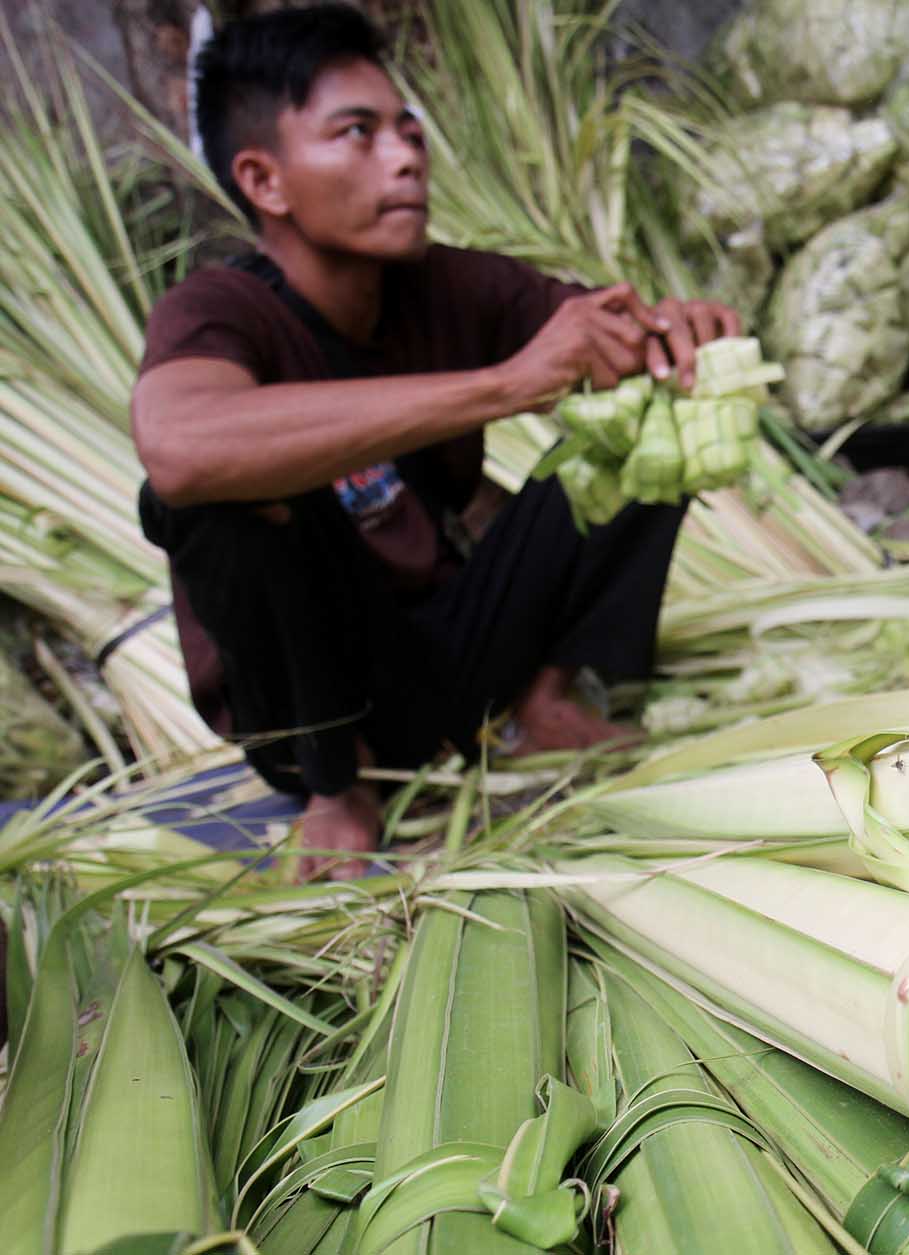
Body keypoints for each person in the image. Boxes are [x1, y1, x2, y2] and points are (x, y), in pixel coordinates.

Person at [131, 5, 739, 879]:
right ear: (265, 181)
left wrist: (676, 333)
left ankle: (545, 700)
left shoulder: (446, 284)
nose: (406, 154)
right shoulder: (221, 310)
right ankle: (336, 791)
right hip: (320, 698)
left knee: (657, 405)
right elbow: (178, 445)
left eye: (407, 129)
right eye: (358, 133)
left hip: (456, 662)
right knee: (198, 503)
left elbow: (604, 331)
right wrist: (506, 386)